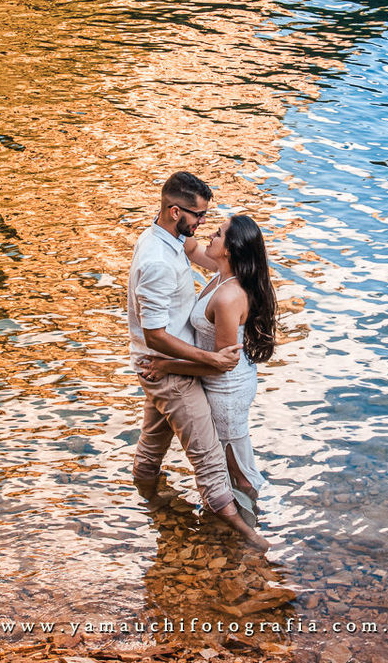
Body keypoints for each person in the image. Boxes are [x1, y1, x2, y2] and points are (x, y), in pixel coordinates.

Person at [128, 172, 270, 551]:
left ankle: (243, 526)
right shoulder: (177, 257)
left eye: (215, 227)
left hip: (203, 377)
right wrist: (171, 365)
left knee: (213, 459)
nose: (204, 226)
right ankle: (247, 537)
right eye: (200, 216)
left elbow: (219, 362)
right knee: (211, 463)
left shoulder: (220, 284)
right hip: (181, 370)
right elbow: (158, 334)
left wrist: (169, 365)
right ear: (176, 213)